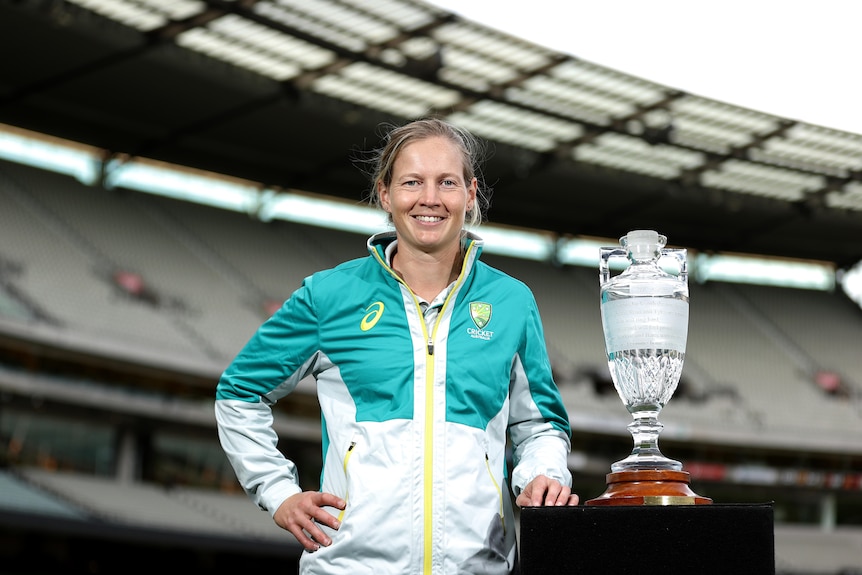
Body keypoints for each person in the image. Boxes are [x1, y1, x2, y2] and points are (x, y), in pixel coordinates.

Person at [215, 117, 578, 575]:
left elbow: (540, 425)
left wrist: (542, 475)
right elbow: (238, 393)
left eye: (446, 182)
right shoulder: (329, 296)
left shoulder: (511, 302)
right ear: (385, 194)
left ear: (470, 193)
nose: (430, 198)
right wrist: (277, 491)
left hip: (479, 568)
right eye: (412, 182)